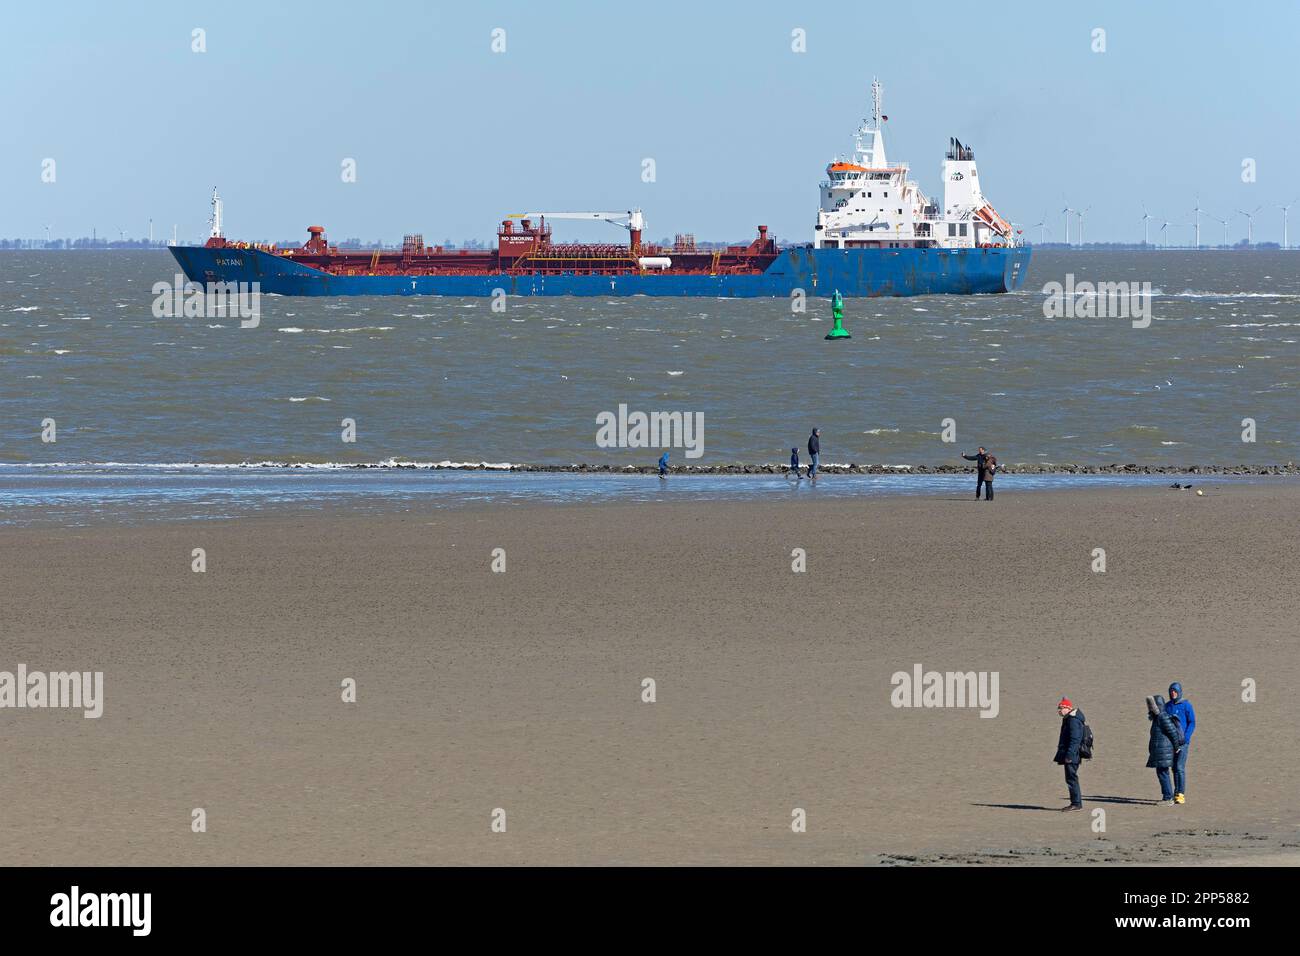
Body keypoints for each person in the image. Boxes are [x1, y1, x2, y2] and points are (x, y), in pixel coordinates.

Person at [1145, 695, 1185, 806]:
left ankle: (1168, 798)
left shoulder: (1162, 717)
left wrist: (1176, 747)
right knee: (1162, 772)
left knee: (1163, 773)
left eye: (1152, 705)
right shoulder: (1158, 718)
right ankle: (1167, 797)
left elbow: (1172, 733)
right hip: (1161, 752)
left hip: (1164, 752)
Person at [1165, 681, 1196, 804]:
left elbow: (1192, 722)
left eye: (1175, 691)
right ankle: (1176, 792)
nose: (1173, 693)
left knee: (1179, 767)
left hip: (1183, 742)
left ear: (1179, 692)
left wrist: (1186, 738)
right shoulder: (1167, 706)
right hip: (1171, 743)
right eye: (1171, 691)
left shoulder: (1186, 705)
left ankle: (1181, 793)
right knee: (1173, 768)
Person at [1053, 697, 1086, 811]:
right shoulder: (1071, 719)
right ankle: (1076, 803)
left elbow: (1075, 739)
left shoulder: (1073, 720)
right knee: (1071, 778)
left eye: (1061, 708)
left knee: (1071, 779)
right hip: (1072, 755)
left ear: (1068, 708)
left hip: (1072, 756)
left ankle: (1076, 804)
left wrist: (1069, 756)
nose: (1059, 711)